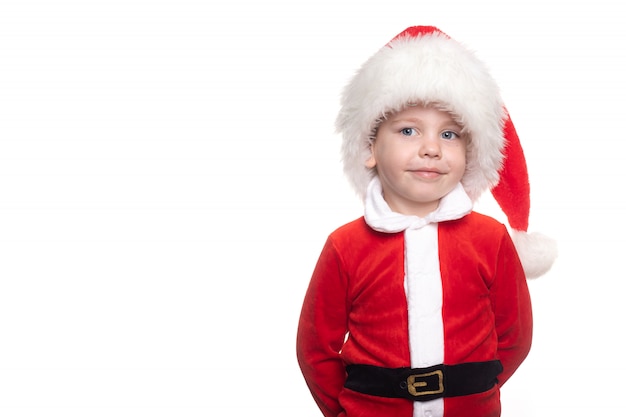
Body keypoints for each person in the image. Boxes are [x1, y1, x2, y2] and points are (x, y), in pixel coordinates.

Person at [296, 26, 557, 417]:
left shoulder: (490, 239)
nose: (431, 148)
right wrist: (349, 409)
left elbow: (514, 338)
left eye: (449, 134)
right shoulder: (345, 245)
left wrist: (474, 390)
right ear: (369, 147)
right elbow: (316, 348)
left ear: (470, 153)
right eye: (407, 130)